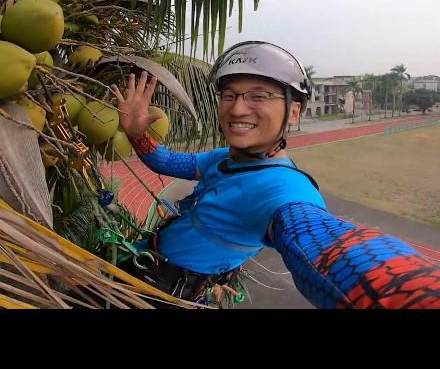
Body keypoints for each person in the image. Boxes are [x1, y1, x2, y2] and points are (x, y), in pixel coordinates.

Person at [111, 41, 440, 309]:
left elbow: (322, 241)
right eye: (230, 95)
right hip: (140, 269)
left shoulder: (285, 190)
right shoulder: (223, 158)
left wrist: (409, 292)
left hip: (162, 297)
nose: (238, 108)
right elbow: (167, 163)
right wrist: (139, 134)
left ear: (294, 110)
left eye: (259, 96)